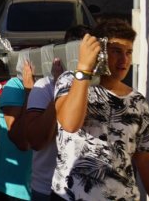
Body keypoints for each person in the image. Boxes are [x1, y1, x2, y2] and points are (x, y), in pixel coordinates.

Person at [52, 19, 149, 201]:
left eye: (129, 53)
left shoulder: (137, 101)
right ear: (100, 52)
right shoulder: (71, 81)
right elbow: (69, 124)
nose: (124, 60)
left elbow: (145, 157)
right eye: (116, 52)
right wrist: (84, 68)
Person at [14, 26, 90, 201]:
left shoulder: (95, 88)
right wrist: (60, 88)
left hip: (88, 189)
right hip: (47, 189)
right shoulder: (44, 87)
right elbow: (37, 142)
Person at [0, 60, 35, 200]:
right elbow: (22, 142)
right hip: (15, 191)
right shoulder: (14, 85)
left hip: (44, 187)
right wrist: (29, 93)